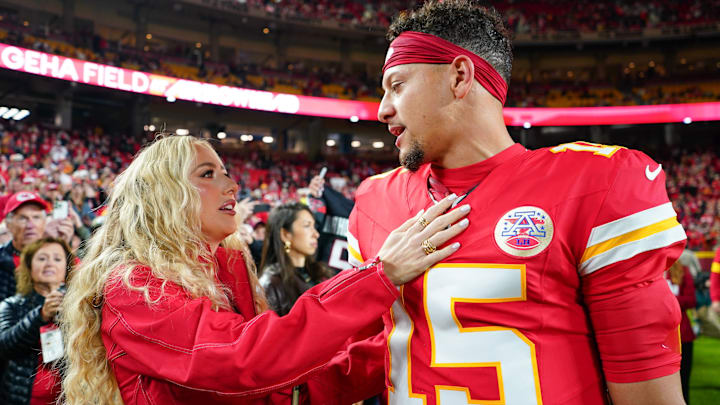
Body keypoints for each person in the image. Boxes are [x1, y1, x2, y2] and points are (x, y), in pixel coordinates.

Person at [344, 1, 688, 404]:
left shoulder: (595, 185)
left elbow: (648, 394)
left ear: (459, 77)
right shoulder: (373, 201)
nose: (383, 109)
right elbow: (363, 360)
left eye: (397, 85)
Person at [59, 135, 470, 404]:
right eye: (207, 174)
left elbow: (287, 383)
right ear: (164, 194)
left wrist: (405, 347)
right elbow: (243, 360)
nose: (231, 185)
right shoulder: (132, 286)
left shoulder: (229, 264)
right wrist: (377, 277)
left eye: (226, 172)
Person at [0, 237, 74, 404]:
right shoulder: (11, 305)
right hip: (20, 398)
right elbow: (4, 347)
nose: (50, 263)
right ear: (29, 267)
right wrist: (40, 315)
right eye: (42, 258)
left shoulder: (78, 305)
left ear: (66, 267)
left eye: (57, 258)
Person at [259, 202, 333, 316]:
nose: (316, 234)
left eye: (314, 226)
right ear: (285, 234)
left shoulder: (321, 273)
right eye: (307, 226)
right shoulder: (270, 284)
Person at [666, 260, 696, 404]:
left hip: (682, 335)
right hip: (657, 338)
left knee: (683, 383)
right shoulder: (647, 270)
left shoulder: (682, 269)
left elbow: (691, 300)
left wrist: (665, 300)